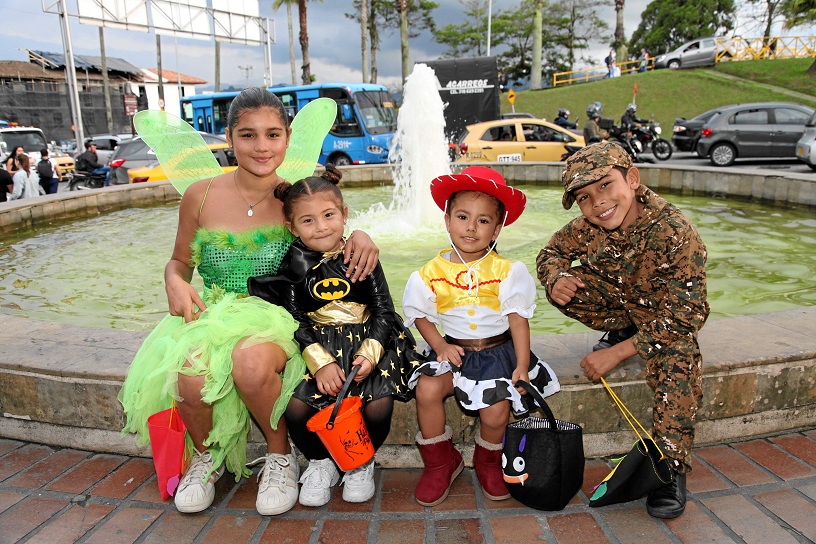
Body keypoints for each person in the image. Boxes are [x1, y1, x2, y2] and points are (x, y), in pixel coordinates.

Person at [118, 87, 380, 516]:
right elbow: (180, 261)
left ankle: (279, 457)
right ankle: (208, 457)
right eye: (248, 135)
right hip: (214, 312)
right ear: (228, 136)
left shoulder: (296, 197)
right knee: (188, 370)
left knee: (250, 363)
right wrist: (174, 280)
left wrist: (363, 237)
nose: (262, 146)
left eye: (273, 134)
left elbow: (332, 234)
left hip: (278, 314)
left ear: (289, 137)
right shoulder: (199, 195)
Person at [535, 141, 709, 519]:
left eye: (604, 186)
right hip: (627, 309)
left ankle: (671, 467)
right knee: (570, 288)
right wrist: (555, 279)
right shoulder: (589, 226)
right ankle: (624, 327)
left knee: (679, 363)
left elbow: (688, 314)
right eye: (583, 196)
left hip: (668, 319)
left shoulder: (676, 232)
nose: (597, 202)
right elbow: (549, 254)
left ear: (632, 179)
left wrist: (617, 352)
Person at [248, 167, 422, 508]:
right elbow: (295, 317)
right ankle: (321, 462)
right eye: (308, 221)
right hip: (321, 345)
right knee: (297, 409)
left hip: (369, 340)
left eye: (328, 215)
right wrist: (319, 361)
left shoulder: (361, 256)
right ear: (292, 227)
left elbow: (385, 310)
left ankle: (360, 463)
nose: (321, 227)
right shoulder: (295, 265)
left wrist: (371, 354)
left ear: (344, 214)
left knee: (378, 405)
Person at [402, 165, 560, 507]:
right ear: (447, 220)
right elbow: (420, 316)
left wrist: (521, 366)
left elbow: (518, 322)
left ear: (498, 228)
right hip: (453, 353)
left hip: (496, 354)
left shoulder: (508, 272)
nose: (471, 227)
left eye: (484, 220)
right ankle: (440, 462)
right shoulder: (430, 272)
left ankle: (489, 461)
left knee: (496, 411)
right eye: (462, 216)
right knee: (427, 389)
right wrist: (440, 345)